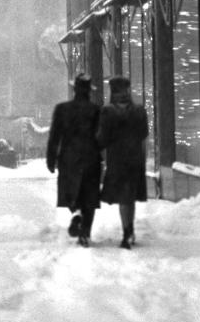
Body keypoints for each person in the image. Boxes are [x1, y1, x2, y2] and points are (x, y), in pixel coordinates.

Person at [45, 73, 101, 246]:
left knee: (72, 192)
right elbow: (101, 136)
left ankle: (76, 213)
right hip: (91, 158)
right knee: (89, 196)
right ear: (89, 91)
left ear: (74, 89)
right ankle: (85, 231)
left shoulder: (62, 109)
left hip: (69, 159)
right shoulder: (96, 110)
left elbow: (54, 136)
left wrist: (51, 158)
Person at [97, 75, 149, 249]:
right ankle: (130, 230)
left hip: (118, 160)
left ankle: (127, 232)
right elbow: (143, 134)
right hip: (135, 159)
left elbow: (102, 139)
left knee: (123, 198)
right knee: (130, 197)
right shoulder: (139, 111)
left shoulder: (108, 112)